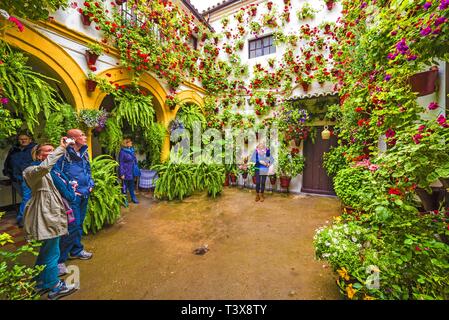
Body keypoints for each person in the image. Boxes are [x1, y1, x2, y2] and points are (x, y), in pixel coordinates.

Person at [22, 138, 77, 300]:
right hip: (47, 217)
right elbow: (45, 166)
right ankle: (54, 286)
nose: (52, 152)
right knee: (53, 252)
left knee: (47, 251)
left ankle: (40, 282)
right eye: (48, 150)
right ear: (38, 156)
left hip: (52, 215)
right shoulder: (31, 171)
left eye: (53, 149)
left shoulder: (50, 172)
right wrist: (61, 147)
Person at [55, 129, 94, 263]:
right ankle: (60, 260)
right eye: (82, 135)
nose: (85, 137)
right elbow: (57, 174)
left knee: (79, 224)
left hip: (84, 193)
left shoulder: (84, 153)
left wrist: (90, 184)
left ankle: (76, 250)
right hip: (72, 196)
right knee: (72, 226)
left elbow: (88, 170)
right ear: (73, 138)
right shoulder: (63, 154)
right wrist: (69, 189)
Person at [3, 132, 36, 227]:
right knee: (27, 199)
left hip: (29, 178)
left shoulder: (34, 149)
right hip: (16, 179)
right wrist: (8, 173)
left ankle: (21, 219)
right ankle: (30, 218)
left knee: (27, 198)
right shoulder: (14, 150)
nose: (23, 140)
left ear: (30, 139)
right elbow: (8, 163)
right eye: (21, 139)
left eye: (25, 138)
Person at [118, 138, 140, 204]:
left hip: (131, 171)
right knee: (124, 185)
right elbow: (121, 163)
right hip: (125, 171)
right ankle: (124, 199)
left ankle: (133, 197)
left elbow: (134, 160)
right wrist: (122, 173)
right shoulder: (122, 152)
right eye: (130, 142)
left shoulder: (131, 150)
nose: (131, 143)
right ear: (126, 143)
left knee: (131, 185)